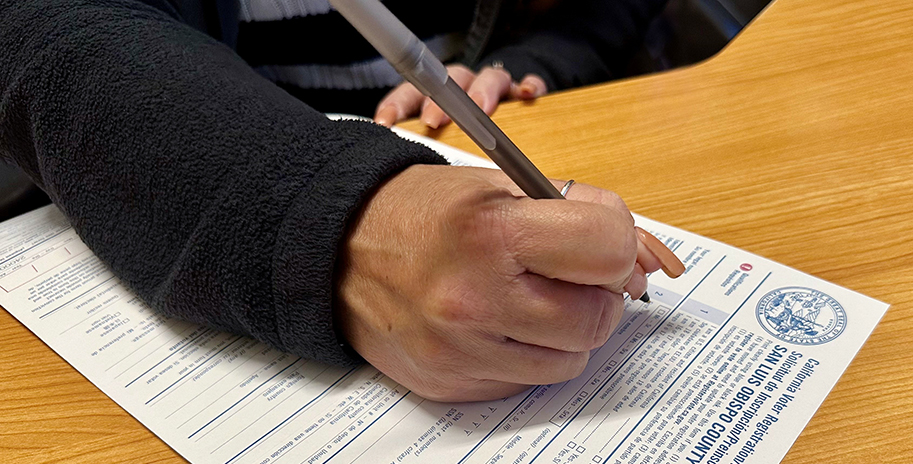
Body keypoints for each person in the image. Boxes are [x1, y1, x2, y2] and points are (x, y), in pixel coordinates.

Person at [0, 0, 670, 401]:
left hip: (475, 119)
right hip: (255, 133)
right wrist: (336, 209)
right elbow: (44, 26)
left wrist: (533, 60)